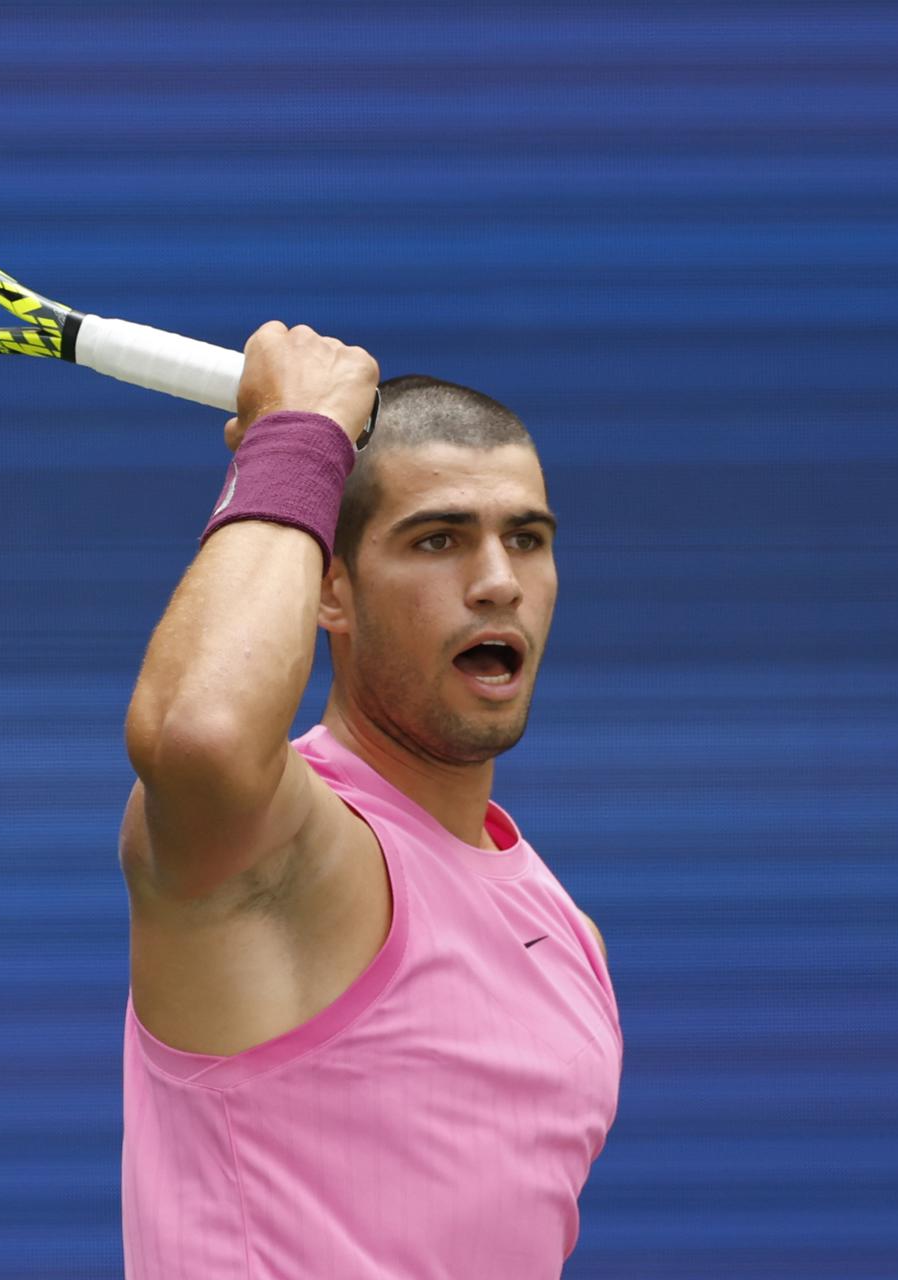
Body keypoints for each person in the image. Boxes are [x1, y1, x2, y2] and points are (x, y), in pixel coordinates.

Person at [119, 322, 622, 1278]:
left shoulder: (568, 936)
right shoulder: (277, 848)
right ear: (331, 592)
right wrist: (298, 436)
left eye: (528, 538)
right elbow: (199, 734)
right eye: (438, 540)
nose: (497, 583)